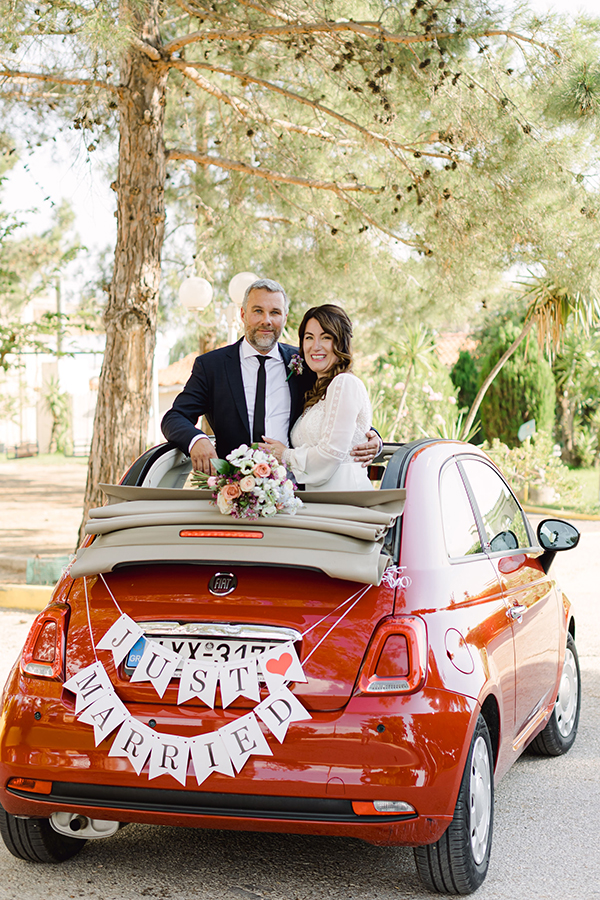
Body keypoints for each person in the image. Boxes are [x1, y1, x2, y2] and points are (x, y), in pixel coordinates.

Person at [161, 278, 380, 474]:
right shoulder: (212, 366)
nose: (266, 320)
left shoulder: (306, 360)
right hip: (234, 493)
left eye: (275, 312)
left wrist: (371, 437)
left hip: (297, 489)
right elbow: (174, 417)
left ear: (284, 317)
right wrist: (196, 440)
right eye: (258, 311)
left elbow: (336, 409)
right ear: (242, 314)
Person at [260, 304, 373, 492]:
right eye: (309, 337)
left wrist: (284, 455)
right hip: (320, 501)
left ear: (341, 343)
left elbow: (330, 455)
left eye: (326, 337)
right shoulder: (319, 391)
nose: (316, 346)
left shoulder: (344, 383)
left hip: (346, 500)